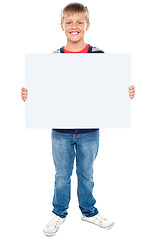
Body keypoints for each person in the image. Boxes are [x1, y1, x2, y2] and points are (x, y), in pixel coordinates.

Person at [21, 2, 135, 237]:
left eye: (79, 22)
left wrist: (125, 94)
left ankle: (89, 211)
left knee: (87, 173)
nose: (74, 26)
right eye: (69, 22)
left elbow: (109, 89)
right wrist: (30, 96)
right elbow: (46, 91)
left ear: (87, 25)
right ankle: (59, 213)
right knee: (62, 176)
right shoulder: (54, 57)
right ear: (62, 26)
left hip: (89, 130)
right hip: (60, 131)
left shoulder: (98, 55)